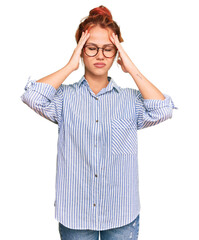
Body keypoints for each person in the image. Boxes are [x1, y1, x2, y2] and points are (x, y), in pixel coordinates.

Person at [21, 5, 177, 240]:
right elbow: (32, 96)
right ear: (81, 50)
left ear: (117, 54)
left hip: (121, 215)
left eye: (108, 49)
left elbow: (163, 109)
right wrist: (70, 66)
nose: (100, 55)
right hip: (76, 216)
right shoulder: (63, 98)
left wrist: (131, 67)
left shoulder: (130, 100)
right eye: (92, 48)